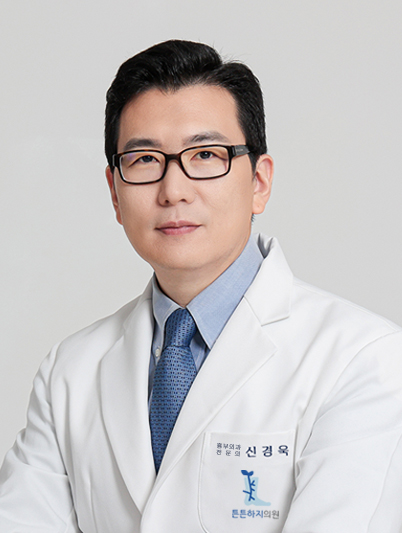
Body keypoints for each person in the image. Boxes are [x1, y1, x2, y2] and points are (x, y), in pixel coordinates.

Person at [0, 39, 402, 533]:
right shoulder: (70, 370)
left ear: (259, 182)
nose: (173, 191)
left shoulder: (363, 360)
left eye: (206, 154)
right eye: (145, 160)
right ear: (115, 193)